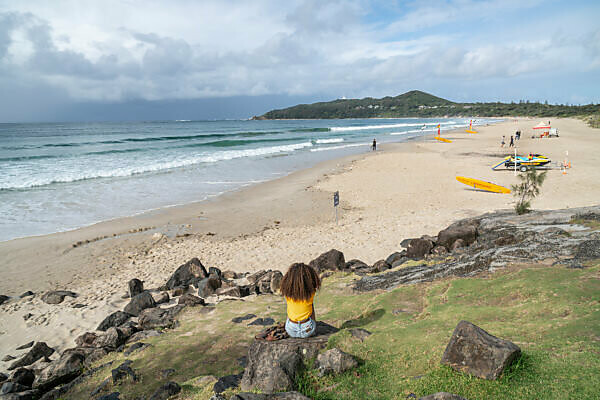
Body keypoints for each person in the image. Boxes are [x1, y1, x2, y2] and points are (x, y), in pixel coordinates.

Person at [280, 263, 321, 338]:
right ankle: (312, 329)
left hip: (290, 330)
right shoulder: (311, 293)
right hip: (308, 329)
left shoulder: (287, 293)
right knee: (310, 305)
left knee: (290, 308)